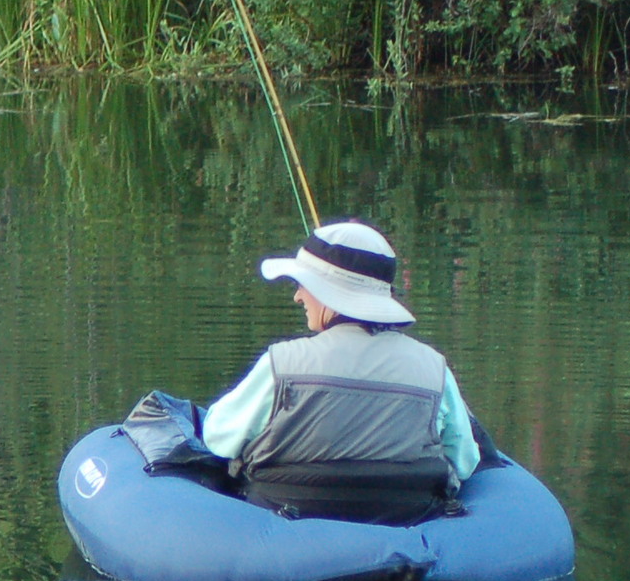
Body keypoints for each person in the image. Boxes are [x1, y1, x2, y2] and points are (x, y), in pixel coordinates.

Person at [201, 221, 482, 522]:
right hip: (404, 527)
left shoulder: (281, 365)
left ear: (327, 292)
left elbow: (218, 437)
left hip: (285, 529)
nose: (297, 296)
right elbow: (464, 462)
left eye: (302, 284)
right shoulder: (435, 370)